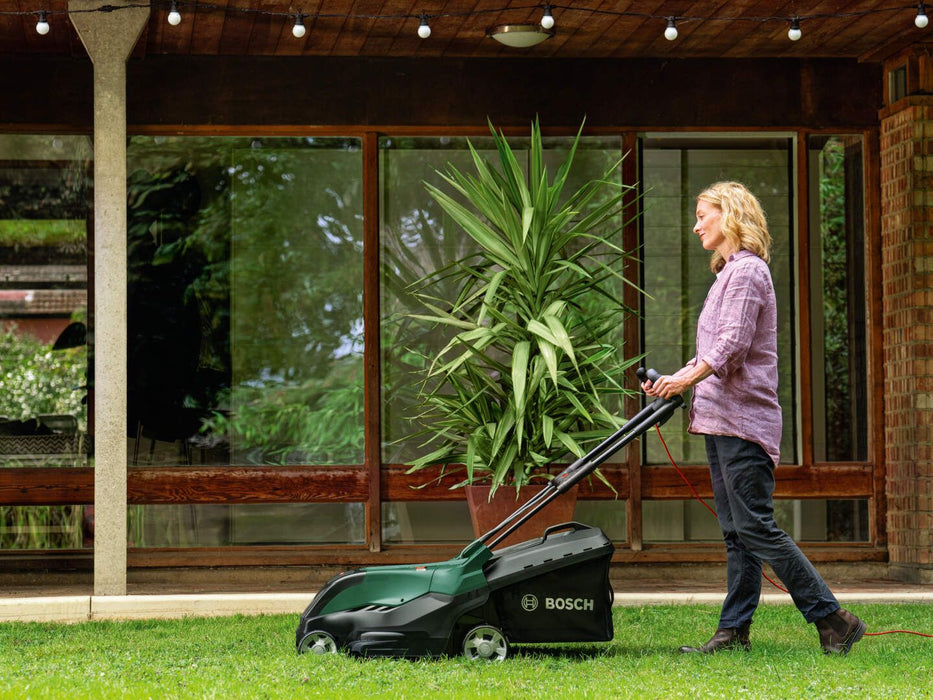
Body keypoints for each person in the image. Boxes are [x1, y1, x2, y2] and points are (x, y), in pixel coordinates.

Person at [642, 181, 865, 655]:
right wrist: (672, 381)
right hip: (721, 420)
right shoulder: (728, 274)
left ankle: (833, 618)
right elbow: (711, 349)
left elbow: (732, 346)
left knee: (755, 527)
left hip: (744, 422)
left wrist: (684, 381)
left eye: (703, 215)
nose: (696, 225)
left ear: (730, 216)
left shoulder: (747, 272)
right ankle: (733, 632)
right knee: (737, 533)